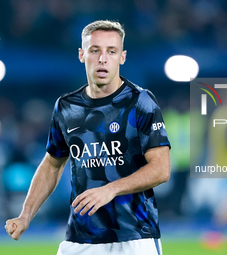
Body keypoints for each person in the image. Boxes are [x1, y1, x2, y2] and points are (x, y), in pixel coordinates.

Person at [5, 20, 171, 255]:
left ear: (122, 57)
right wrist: (25, 216)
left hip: (134, 236)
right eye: (95, 50)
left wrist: (110, 189)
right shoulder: (66, 107)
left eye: (111, 51)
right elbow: (52, 164)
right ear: (82, 55)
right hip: (80, 238)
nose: (103, 59)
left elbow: (161, 169)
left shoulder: (141, 102)